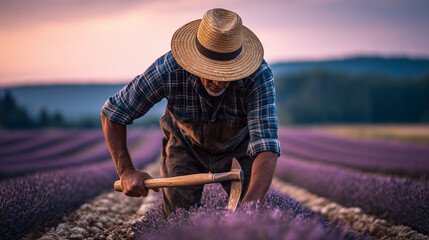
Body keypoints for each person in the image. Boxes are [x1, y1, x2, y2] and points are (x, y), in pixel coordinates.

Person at [101, 8, 281, 217]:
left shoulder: (258, 75)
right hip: (184, 145)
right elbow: (113, 113)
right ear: (194, 62)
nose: (218, 81)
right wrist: (126, 171)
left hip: (239, 147)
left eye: (227, 72)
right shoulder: (169, 69)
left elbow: (266, 144)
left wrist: (252, 206)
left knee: (252, 214)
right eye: (211, 71)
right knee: (179, 220)